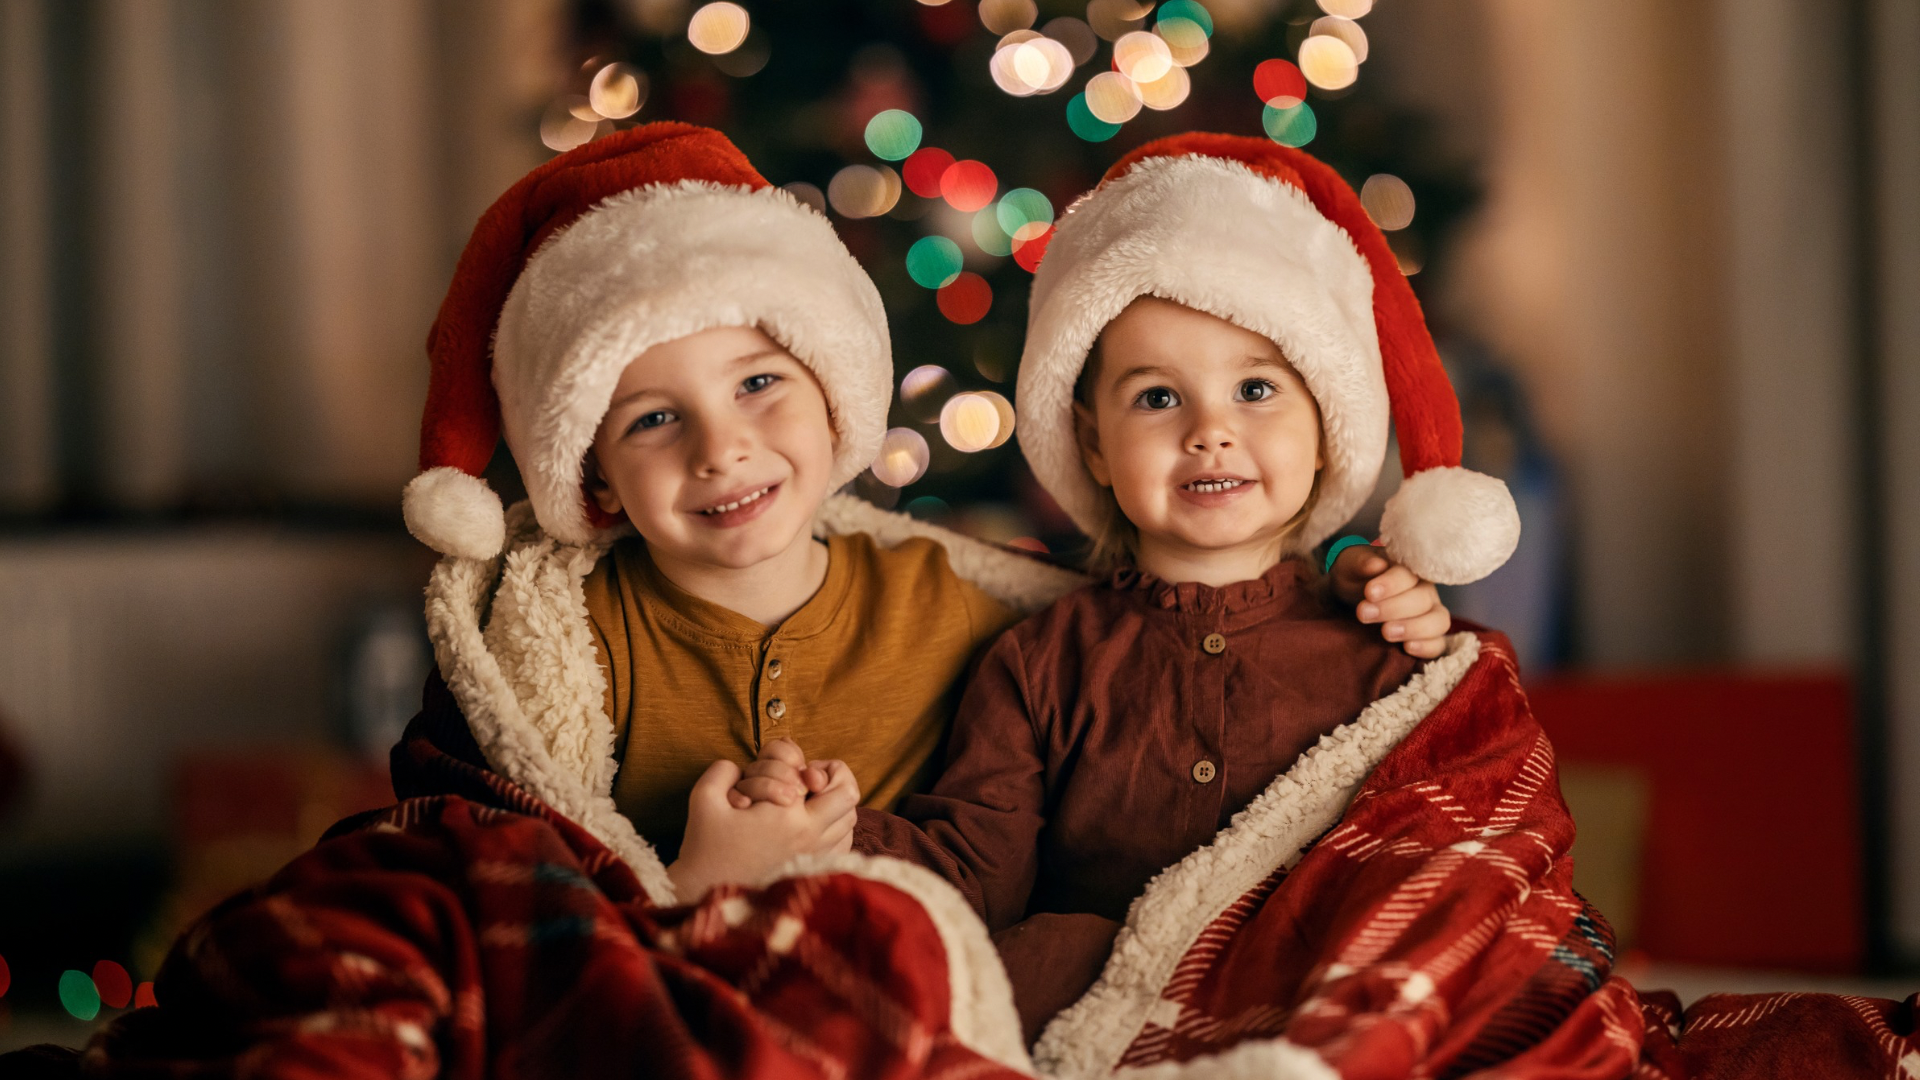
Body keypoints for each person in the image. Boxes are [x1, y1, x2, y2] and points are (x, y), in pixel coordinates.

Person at [397, 121, 1453, 910]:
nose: (720, 449)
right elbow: (482, 858)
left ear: (833, 390)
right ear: (591, 471)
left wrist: (1360, 564)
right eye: (655, 419)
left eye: (760, 384)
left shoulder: (957, 614)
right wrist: (705, 878)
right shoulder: (559, 642)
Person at [741, 133, 1523, 1037]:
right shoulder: (1040, 662)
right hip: (1100, 1011)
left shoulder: (1374, 637)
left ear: (1326, 430)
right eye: (1157, 398)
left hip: (1308, 994)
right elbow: (975, 867)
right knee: (1042, 955)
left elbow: (1433, 830)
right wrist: (834, 830)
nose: (1209, 432)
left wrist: (1419, 623)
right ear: (1094, 447)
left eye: (1258, 390)